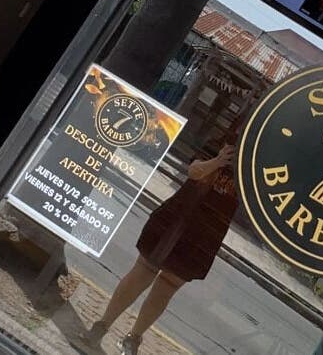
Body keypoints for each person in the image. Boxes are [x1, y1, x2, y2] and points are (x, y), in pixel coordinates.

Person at [78, 140, 239, 355]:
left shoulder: (256, 170)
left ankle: (133, 338)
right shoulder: (222, 144)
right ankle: (102, 326)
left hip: (206, 234)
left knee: (166, 289)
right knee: (141, 273)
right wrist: (218, 161)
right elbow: (193, 171)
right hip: (178, 217)